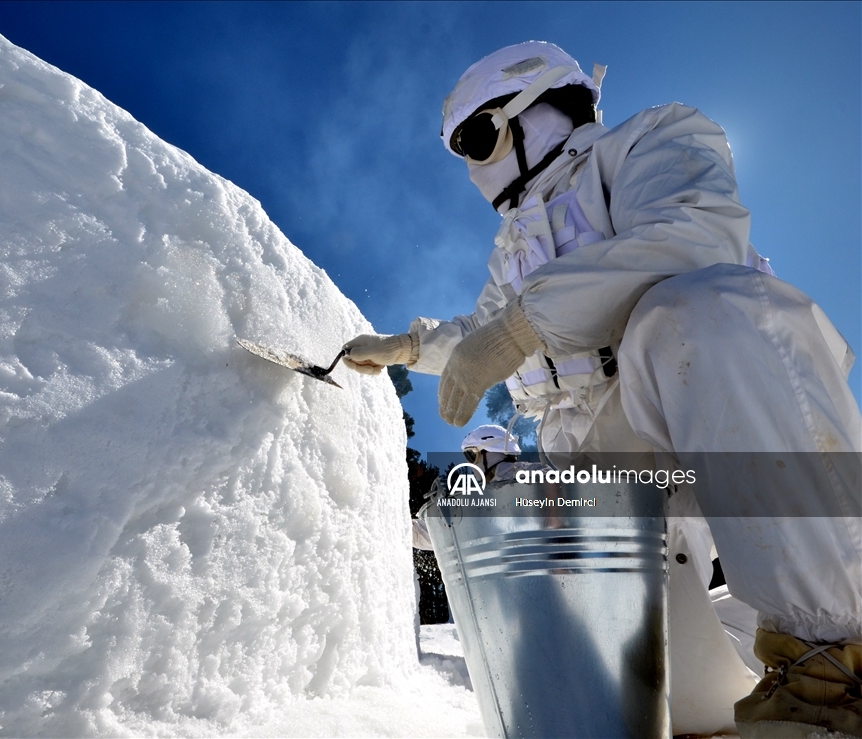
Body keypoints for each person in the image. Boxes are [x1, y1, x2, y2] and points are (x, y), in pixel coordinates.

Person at [343, 42, 861, 738]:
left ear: (537, 112)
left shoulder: (648, 142)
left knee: (696, 310)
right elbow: (477, 330)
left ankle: (832, 666)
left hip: (714, 427)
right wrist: (411, 347)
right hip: (611, 475)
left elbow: (693, 234)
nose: (471, 168)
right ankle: (738, 673)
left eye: (476, 138)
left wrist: (524, 324)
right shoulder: (514, 252)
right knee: (656, 699)